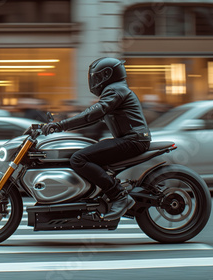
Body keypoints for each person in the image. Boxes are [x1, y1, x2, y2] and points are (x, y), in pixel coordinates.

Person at [42, 57, 151, 221]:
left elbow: (93, 113)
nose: (94, 81)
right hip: (132, 139)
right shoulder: (117, 89)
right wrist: (62, 126)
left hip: (133, 141)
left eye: (97, 76)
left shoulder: (115, 90)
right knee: (88, 150)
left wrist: (60, 125)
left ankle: (119, 196)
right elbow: (93, 119)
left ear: (107, 75)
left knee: (79, 158)